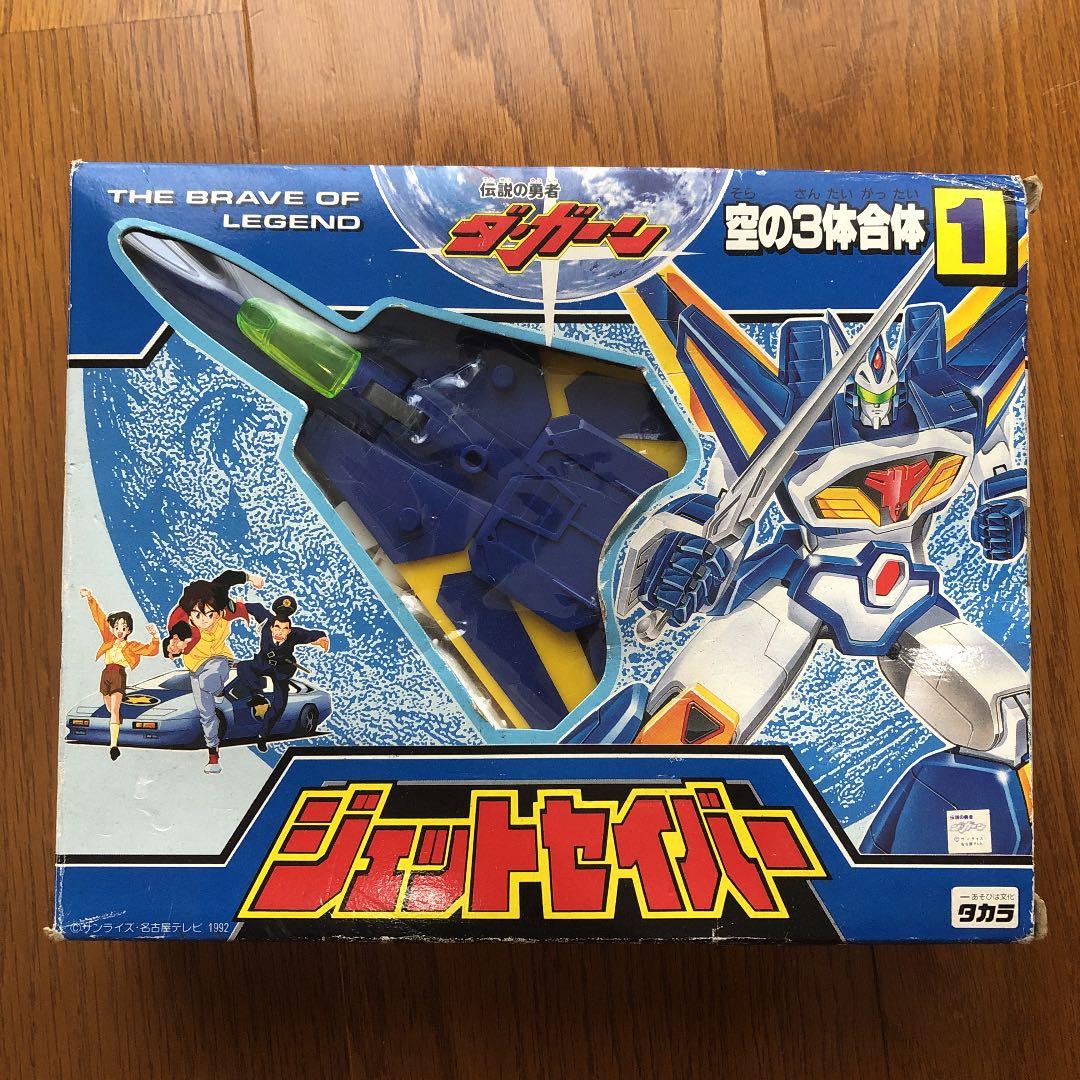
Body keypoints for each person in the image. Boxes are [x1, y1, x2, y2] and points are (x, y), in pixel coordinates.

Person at [166, 569, 264, 774]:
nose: (205, 621)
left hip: (220, 659)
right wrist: (173, 648)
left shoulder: (225, 610)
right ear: (190, 613)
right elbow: (173, 641)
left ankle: (219, 691)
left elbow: (228, 578)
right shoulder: (183, 624)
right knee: (206, 714)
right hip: (196, 667)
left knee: (209, 679)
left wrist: (251, 579)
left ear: (218, 612)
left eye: (210, 615)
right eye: (198, 616)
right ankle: (213, 756)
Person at [227, 595, 329, 751]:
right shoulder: (267, 621)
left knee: (279, 704)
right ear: (272, 627)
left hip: (281, 670)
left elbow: (312, 634)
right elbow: (256, 608)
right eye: (277, 628)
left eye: (284, 629)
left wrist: (322, 639)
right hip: (263, 663)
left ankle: (262, 736)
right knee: (243, 667)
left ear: (289, 630)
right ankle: (257, 695)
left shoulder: (295, 634)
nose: (280, 632)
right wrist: (239, 605)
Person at [79, 588, 159, 761]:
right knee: (109, 707)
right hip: (105, 674)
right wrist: (90, 598)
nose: (120, 630)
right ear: (112, 629)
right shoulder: (108, 639)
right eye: (116, 627)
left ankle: (113, 745)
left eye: (123, 627)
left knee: (114, 709)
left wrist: (154, 636)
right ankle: (118, 719)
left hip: (118, 674)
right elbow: (99, 618)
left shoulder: (131, 646)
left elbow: (151, 651)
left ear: (129, 630)